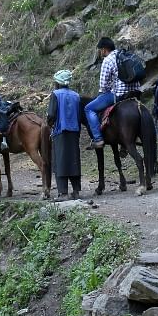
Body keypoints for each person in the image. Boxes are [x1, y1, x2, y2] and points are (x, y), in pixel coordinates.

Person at [84, 37, 140, 150]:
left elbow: (103, 86)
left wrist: (102, 93)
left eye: (100, 50)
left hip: (120, 95)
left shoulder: (108, 60)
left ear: (104, 49)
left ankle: (98, 139)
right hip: (136, 93)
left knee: (89, 108)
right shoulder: (124, 54)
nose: (100, 52)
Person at [46, 69, 83, 200]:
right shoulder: (76, 95)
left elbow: (51, 114)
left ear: (58, 82)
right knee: (73, 160)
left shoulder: (55, 94)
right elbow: (79, 115)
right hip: (74, 132)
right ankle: (76, 191)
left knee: (60, 161)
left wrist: (50, 125)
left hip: (60, 131)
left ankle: (63, 193)